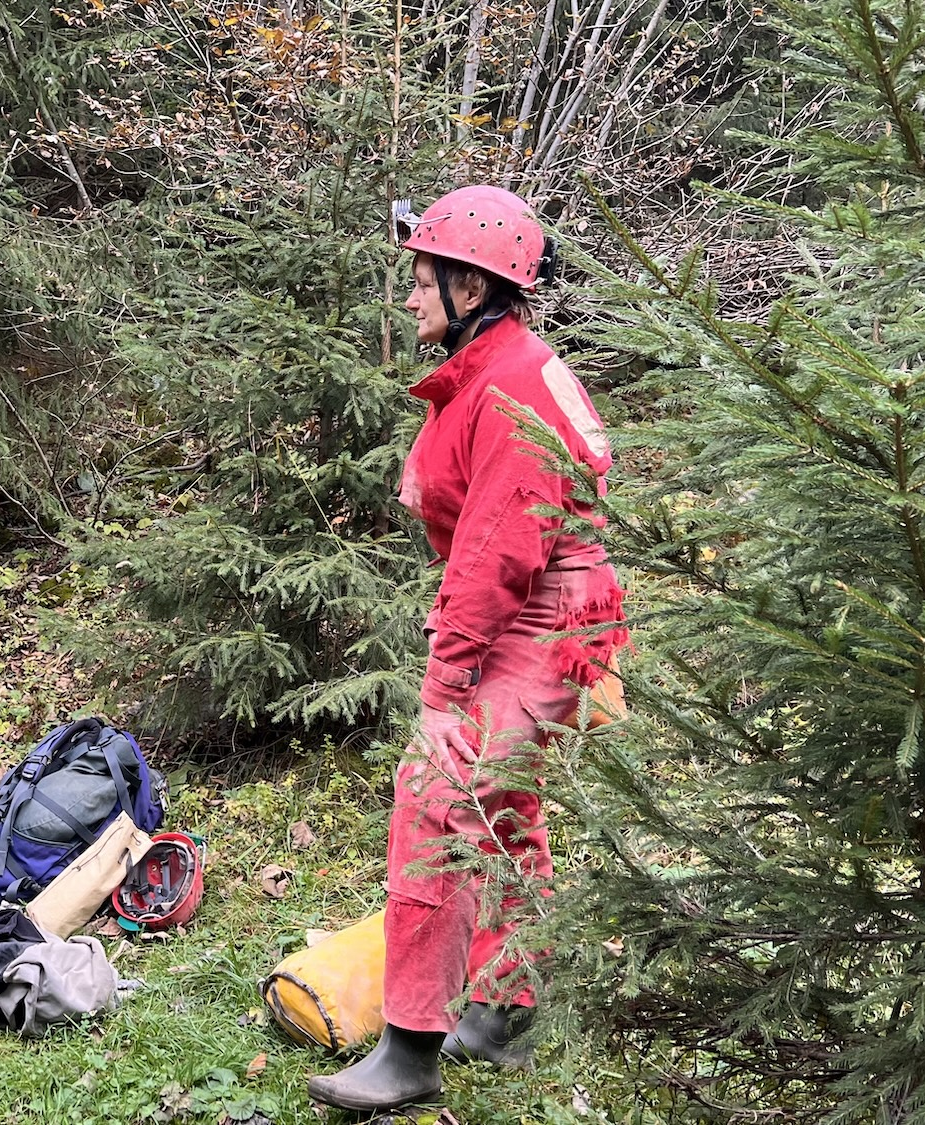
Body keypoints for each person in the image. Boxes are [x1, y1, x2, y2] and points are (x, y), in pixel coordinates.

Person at [307, 187, 628, 1111]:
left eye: (421, 280)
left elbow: (497, 550)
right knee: (503, 807)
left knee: (439, 798)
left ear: (471, 284)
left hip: (542, 613)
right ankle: (508, 1006)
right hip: (549, 607)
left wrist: (448, 680)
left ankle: (410, 1048)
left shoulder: (511, 378)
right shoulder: (492, 365)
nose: (409, 299)